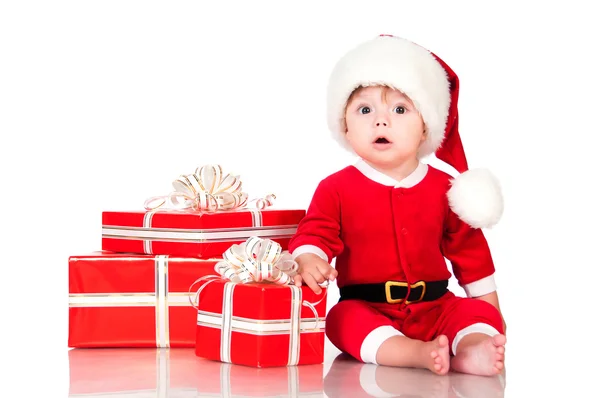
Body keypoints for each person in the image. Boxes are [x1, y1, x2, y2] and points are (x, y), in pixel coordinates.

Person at [288, 34, 506, 376]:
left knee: (478, 315)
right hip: (367, 306)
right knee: (340, 321)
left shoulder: (444, 188)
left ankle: (468, 349)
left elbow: (470, 251)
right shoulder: (336, 188)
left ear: (425, 129)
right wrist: (309, 256)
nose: (381, 121)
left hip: (436, 306)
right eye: (365, 109)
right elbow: (316, 229)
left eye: (400, 109)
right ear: (346, 127)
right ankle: (414, 354)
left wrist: (490, 315)